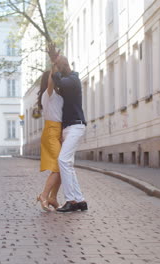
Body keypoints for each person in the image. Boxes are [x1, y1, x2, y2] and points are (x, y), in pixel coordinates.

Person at [51, 56, 88, 213]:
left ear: (65, 66)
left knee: (63, 160)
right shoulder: (67, 81)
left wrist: (55, 66)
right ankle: (80, 200)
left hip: (76, 126)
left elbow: (59, 81)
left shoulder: (73, 80)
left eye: (59, 67)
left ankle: (70, 200)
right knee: (69, 165)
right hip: (69, 127)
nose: (58, 71)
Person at [36, 66, 63, 211]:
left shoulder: (59, 96)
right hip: (51, 131)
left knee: (62, 167)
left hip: (59, 131)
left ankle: (53, 197)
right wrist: (54, 63)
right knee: (58, 166)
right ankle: (44, 195)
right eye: (55, 76)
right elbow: (52, 81)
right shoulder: (48, 94)